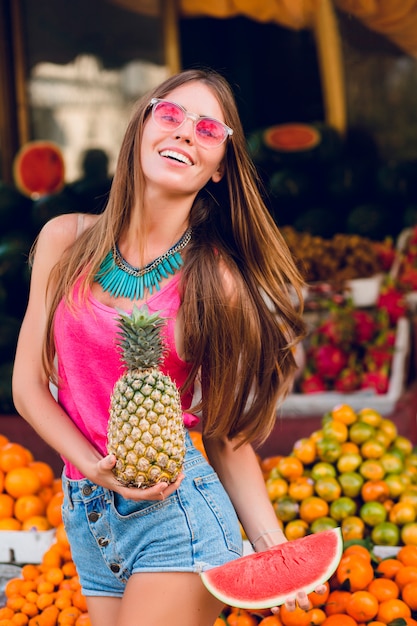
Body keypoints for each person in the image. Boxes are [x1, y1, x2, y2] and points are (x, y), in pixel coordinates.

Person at [12, 68, 324, 626]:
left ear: (219, 167)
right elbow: (29, 387)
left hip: (176, 514)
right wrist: (92, 466)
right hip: (87, 513)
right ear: (141, 126)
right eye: (172, 114)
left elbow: (226, 436)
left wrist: (273, 546)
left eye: (208, 129)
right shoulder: (64, 240)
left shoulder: (215, 282)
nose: (185, 133)